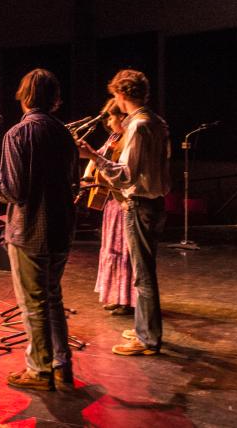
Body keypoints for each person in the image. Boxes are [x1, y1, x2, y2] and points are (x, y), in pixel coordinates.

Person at [0, 68, 78, 392]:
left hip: (30, 230)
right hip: (62, 229)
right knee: (53, 298)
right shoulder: (64, 134)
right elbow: (72, 183)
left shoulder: (17, 135)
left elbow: (15, 192)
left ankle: (39, 369)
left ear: (25, 95)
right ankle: (62, 366)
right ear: (53, 98)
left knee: (33, 303)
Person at [77, 69, 172, 356]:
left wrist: (93, 156)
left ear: (120, 95)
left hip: (139, 204)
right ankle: (145, 329)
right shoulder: (158, 122)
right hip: (154, 203)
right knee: (143, 271)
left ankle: (148, 340)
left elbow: (127, 174)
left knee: (143, 274)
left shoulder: (138, 126)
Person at [86, 99, 135, 316]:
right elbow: (96, 154)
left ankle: (128, 299)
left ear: (122, 117)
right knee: (112, 249)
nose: (108, 121)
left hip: (123, 202)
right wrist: (87, 175)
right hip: (111, 203)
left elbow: (121, 170)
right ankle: (116, 296)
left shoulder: (128, 139)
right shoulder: (114, 138)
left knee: (124, 251)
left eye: (111, 116)